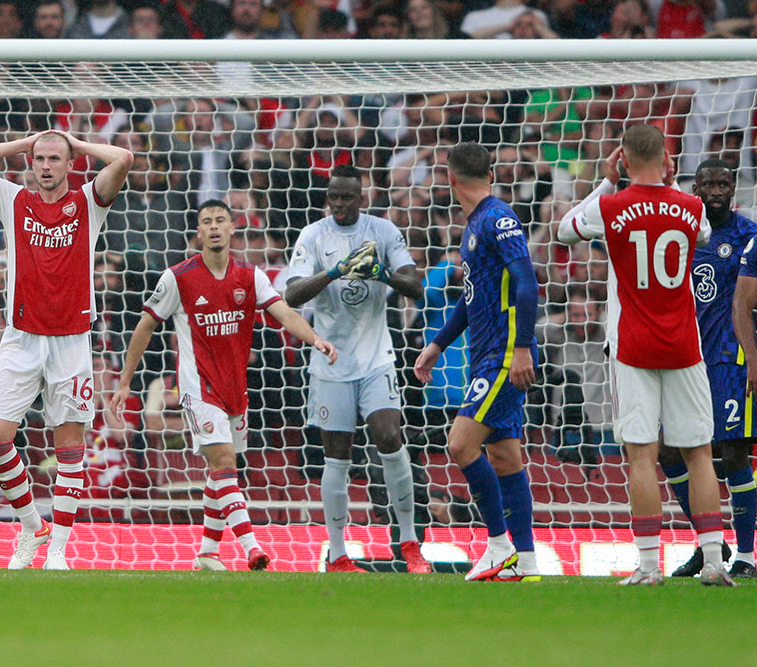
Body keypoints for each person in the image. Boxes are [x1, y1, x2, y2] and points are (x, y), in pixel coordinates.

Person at [109, 200, 337, 572]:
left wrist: (316, 340)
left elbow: (284, 313)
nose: (214, 227)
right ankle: (251, 547)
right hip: (198, 387)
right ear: (198, 233)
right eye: (206, 222)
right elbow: (145, 326)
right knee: (226, 462)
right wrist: (124, 382)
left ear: (233, 228)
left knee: (221, 471)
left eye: (220, 221)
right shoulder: (178, 277)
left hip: (235, 389)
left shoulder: (250, 276)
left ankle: (208, 553)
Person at [558, 124, 733, 587]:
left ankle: (650, 565)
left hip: (633, 346)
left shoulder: (611, 206)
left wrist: (606, 180)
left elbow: (563, 228)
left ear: (622, 157)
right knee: (698, 454)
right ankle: (715, 562)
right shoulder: (691, 207)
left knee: (641, 455)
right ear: (667, 158)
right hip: (683, 344)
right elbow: (703, 233)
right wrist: (671, 184)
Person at [0, 129, 133, 570]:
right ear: (30, 163)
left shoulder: (89, 202)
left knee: (70, 446)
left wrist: (76, 142)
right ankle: (34, 527)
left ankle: (58, 553)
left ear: (69, 163)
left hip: (71, 340)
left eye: (56, 158)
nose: (47, 165)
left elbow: (124, 158)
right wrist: (22, 144)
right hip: (20, 337)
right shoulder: (13, 199)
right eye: (40, 158)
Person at [284, 164, 430, 574]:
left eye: (348, 197)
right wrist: (336, 270)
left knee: (389, 436)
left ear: (361, 198)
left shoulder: (382, 232)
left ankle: (408, 541)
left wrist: (380, 273)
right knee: (337, 457)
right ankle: (338, 553)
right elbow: (292, 295)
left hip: (375, 359)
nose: (341, 204)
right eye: (335, 197)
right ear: (328, 197)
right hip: (331, 363)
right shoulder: (313, 235)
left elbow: (416, 285)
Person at [414, 142, 540, 582]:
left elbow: (527, 283)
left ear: (450, 178)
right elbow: (473, 300)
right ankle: (524, 560)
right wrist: (438, 344)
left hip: (505, 354)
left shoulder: (497, 217)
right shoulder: (474, 225)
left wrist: (522, 346)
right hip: (484, 352)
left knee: (460, 445)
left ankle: (498, 545)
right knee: (505, 457)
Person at [660, 159, 755, 579]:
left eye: (722, 184)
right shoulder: (681, 233)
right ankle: (707, 543)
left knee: (733, 451)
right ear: (694, 188)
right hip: (684, 357)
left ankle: (748, 555)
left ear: (733, 187)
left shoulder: (748, 234)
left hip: (728, 358)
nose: (715, 191)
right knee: (667, 450)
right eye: (707, 184)